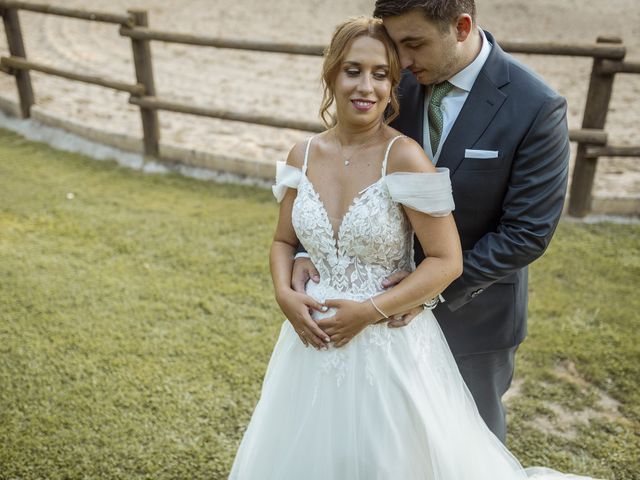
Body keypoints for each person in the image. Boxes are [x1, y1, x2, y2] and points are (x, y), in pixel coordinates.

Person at [229, 16, 594, 480]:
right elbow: (287, 237)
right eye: (354, 70)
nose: (371, 83)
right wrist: (287, 286)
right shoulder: (305, 152)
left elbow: (518, 235)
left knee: (438, 452)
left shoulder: (522, 110)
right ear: (331, 73)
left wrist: (375, 309)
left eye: (383, 73)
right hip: (311, 345)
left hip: (414, 332)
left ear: (459, 27)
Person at [292, 0, 570, 443]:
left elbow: (527, 232)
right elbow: (349, 169)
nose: (399, 61)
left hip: (474, 317)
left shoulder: (536, 107)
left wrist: (428, 291)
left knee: (466, 446)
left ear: (461, 27)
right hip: (372, 325)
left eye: (413, 44)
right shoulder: (397, 83)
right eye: (394, 46)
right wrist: (312, 247)